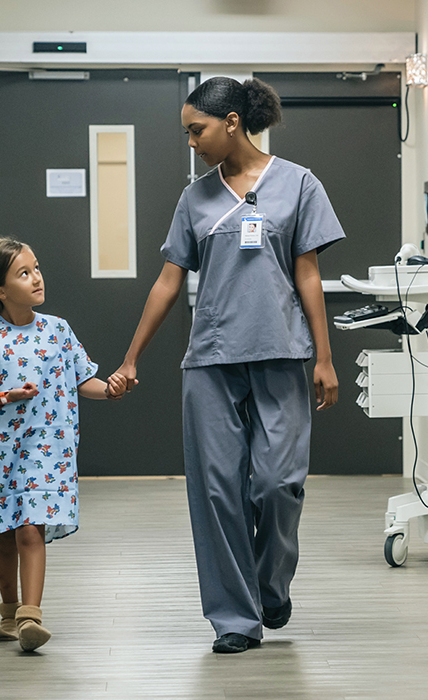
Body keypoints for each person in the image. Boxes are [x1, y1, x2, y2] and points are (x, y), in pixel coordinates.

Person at [115, 77, 345, 654]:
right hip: (211, 360)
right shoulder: (194, 198)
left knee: (277, 485)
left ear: (233, 122)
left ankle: (271, 586)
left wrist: (325, 356)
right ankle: (235, 620)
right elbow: (170, 281)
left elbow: (308, 274)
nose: (191, 141)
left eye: (198, 129)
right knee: (218, 493)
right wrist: (132, 356)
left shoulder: (298, 184)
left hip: (283, 354)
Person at [0, 237, 126, 652]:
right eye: (24, 273)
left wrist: (110, 389)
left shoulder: (58, 331)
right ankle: (8, 614)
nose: (37, 277)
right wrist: (5, 396)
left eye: (37, 268)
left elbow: (84, 381)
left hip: (45, 449)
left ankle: (30, 616)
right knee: (5, 535)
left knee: (30, 528)